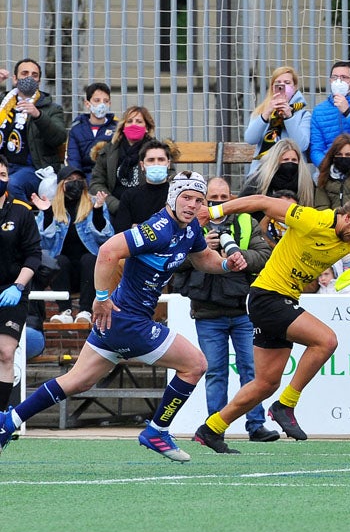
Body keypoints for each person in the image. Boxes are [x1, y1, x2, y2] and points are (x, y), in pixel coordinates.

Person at [0, 171, 250, 461]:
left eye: (198, 200)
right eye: (186, 198)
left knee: (77, 381)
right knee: (195, 365)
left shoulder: (191, 228)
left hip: (119, 320)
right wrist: (101, 299)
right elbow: (107, 251)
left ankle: (10, 421)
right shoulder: (158, 228)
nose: (192, 205)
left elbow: (203, 258)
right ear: (173, 197)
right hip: (127, 320)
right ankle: (157, 430)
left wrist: (227, 265)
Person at [191, 196, 350, 453]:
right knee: (326, 340)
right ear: (349, 216)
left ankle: (211, 429)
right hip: (266, 297)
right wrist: (214, 211)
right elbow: (262, 201)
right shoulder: (312, 219)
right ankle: (285, 405)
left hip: (281, 301)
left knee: (265, 384)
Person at [171, 177, 280, 445]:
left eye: (223, 197)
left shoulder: (245, 221)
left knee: (251, 370)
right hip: (207, 312)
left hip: (243, 310)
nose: (218, 202)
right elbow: (171, 260)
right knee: (216, 371)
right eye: (212, 198)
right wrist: (201, 250)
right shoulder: (188, 225)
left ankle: (256, 425)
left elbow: (265, 256)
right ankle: (214, 428)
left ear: (231, 198)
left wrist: (239, 256)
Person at [33, 166, 114, 325]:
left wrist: (97, 212)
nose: (74, 183)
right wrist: (48, 214)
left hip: (89, 272)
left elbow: (107, 238)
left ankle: (85, 310)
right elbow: (42, 244)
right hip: (62, 273)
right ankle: (65, 311)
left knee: (90, 259)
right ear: (61, 184)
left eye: (78, 180)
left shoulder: (94, 203)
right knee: (58, 260)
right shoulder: (52, 207)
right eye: (70, 180)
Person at [0, 155, 41, 411]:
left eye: (2, 175)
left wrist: (17, 286)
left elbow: (34, 254)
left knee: (5, 352)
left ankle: (1, 415)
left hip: (12, 290)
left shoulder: (21, 211)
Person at [0, 59, 66, 203]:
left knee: (12, 185)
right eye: (24, 73)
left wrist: (38, 115)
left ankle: (23, 222)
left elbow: (59, 137)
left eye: (34, 75)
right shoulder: (3, 103)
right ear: (15, 79)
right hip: (3, 165)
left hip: (34, 169)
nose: (30, 78)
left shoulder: (51, 108)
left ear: (39, 81)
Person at [90, 105, 166, 217]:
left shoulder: (157, 152)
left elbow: (169, 177)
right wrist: (117, 206)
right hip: (114, 210)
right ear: (123, 127)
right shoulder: (108, 152)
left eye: (139, 121)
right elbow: (97, 183)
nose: (134, 124)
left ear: (147, 127)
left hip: (148, 210)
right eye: (129, 121)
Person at [244, 66, 311, 175]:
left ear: (294, 87)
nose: (283, 85)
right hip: (262, 171)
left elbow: (302, 145)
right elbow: (250, 139)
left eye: (287, 82)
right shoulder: (261, 111)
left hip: (291, 173)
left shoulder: (303, 115)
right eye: (278, 82)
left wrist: (289, 117)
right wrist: (266, 114)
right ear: (272, 87)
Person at [112, 139, 178, 233]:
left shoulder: (177, 194)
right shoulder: (129, 196)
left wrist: (138, 227)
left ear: (168, 164)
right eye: (151, 160)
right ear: (142, 165)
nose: (156, 164)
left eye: (161, 159)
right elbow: (122, 232)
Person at [238, 138, 313, 207]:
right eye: (285, 160)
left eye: (294, 160)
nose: (290, 163)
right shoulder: (259, 181)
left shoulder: (306, 183)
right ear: (275, 161)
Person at [66, 82, 117, 181]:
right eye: (97, 100)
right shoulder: (76, 130)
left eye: (105, 101)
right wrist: (79, 181)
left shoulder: (116, 128)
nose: (101, 105)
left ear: (109, 104)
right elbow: (73, 160)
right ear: (87, 104)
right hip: (84, 178)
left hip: (109, 177)